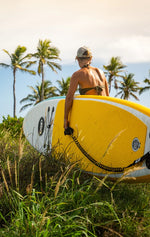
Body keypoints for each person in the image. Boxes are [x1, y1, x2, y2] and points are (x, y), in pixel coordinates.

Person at [64, 46, 109, 130]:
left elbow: (69, 97)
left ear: (77, 59)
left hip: (91, 115)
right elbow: (107, 96)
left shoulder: (77, 75)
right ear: (90, 58)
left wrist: (65, 120)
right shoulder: (101, 73)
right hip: (104, 114)